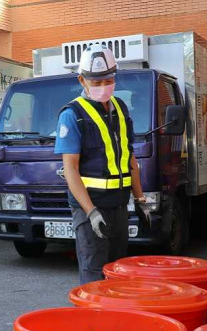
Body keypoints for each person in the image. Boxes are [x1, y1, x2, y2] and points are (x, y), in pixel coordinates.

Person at [54, 44, 147, 285]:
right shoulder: (72, 114)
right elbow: (71, 170)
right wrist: (91, 212)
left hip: (118, 205)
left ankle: (113, 322)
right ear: (82, 80)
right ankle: (92, 323)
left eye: (108, 80)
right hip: (90, 207)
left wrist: (140, 199)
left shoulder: (120, 108)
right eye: (96, 82)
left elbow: (129, 157)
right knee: (95, 275)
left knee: (118, 272)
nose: (103, 87)